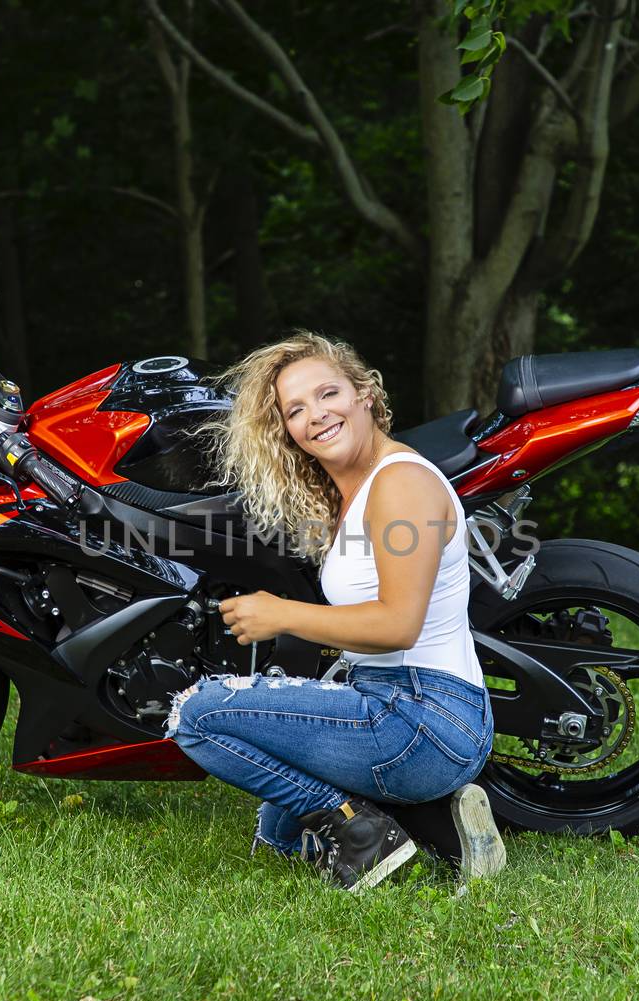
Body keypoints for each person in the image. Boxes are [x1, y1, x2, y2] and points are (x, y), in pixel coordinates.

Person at [166, 331, 507, 892]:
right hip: (403, 706)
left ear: (365, 394)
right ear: (287, 433)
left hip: (423, 716)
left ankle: (359, 830)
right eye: (295, 410)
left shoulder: (401, 485)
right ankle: (448, 833)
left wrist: (282, 614)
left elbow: (398, 625)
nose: (316, 415)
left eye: (328, 394)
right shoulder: (354, 492)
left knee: (196, 715)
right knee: (277, 842)